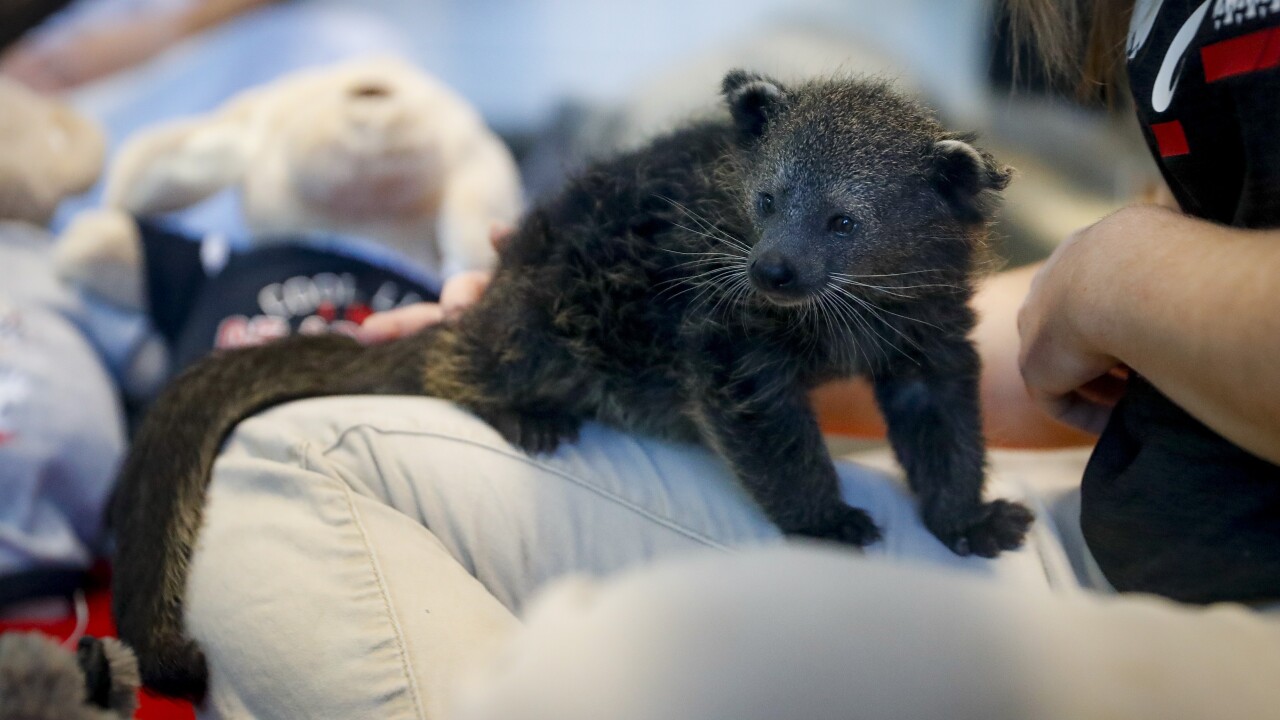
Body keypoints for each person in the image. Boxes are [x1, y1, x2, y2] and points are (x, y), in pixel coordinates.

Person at [175, 0, 1280, 717]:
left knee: (629, 666)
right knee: (293, 459)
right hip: (1102, 528)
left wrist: (1120, 272)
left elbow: (1103, 303)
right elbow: (1041, 350)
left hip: (1237, 613)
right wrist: (584, 330)